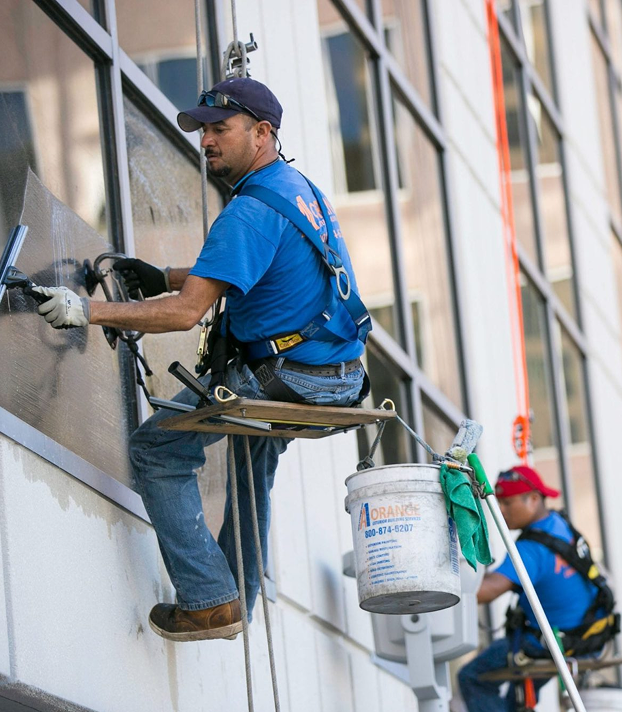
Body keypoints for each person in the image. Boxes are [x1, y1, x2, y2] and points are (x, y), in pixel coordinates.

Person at [32, 77, 370, 642]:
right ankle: (233, 598)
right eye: (204, 130)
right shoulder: (296, 189)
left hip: (287, 374)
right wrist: (159, 276)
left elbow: (186, 313)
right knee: (250, 463)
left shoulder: (248, 211)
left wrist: (85, 310)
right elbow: (254, 268)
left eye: (220, 129)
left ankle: (210, 598)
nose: (207, 141)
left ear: (262, 133)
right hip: (337, 374)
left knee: (156, 449)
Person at [458, 466, 617, 712]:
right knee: (514, 700)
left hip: (553, 643)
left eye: (507, 503)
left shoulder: (531, 549)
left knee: (473, 677)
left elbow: (485, 592)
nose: (501, 511)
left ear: (533, 499)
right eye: (499, 503)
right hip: (591, 635)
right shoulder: (558, 524)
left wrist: (444, 578)